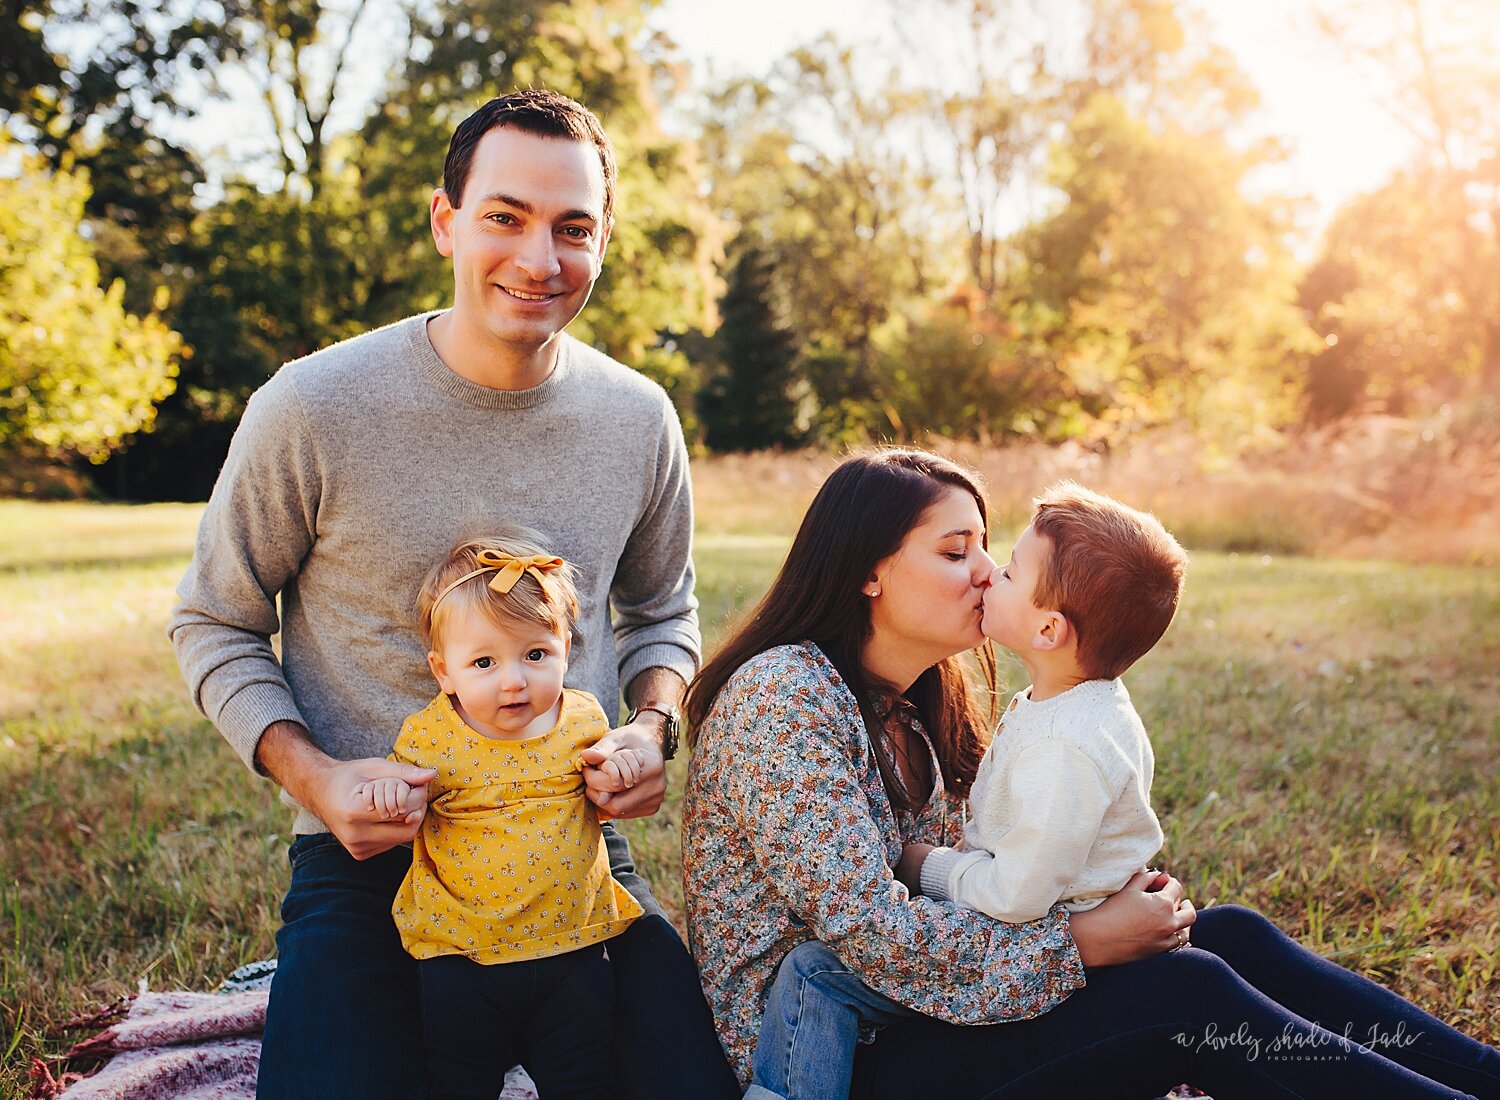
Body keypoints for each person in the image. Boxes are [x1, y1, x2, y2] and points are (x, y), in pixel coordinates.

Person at [170, 89, 740, 1100]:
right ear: (446, 220)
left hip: (574, 843)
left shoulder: (638, 419)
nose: (540, 259)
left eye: (573, 228)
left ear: (604, 237)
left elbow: (662, 611)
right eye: (504, 217)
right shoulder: (314, 405)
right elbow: (216, 617)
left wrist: (653, 729)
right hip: (374, 857)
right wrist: (319, 781)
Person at [682, 448, 1500, 1100]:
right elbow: (875, 938)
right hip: (838, 1052)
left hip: (937, 1005)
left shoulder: (916, 696)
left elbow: (1007, 859)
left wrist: (1104, 905)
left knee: (1231, 934)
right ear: (869, 570)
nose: (985, 572)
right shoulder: (784, 697)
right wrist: (1079, 944)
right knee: (1184, 997)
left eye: (987, 548)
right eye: (954, 551)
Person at [357, 529, 643, 1099]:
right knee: (460, 1078)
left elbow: (604, 794)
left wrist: (617, 773)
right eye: (484, 661)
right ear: (445, 672)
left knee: (585, 1077)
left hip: (573, 948)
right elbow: (398, 800)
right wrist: (393, 796)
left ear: (565, 644)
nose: (513, 680)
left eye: (536, 654)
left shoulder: (583, 720)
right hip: (463, 958)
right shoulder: (430, 737)